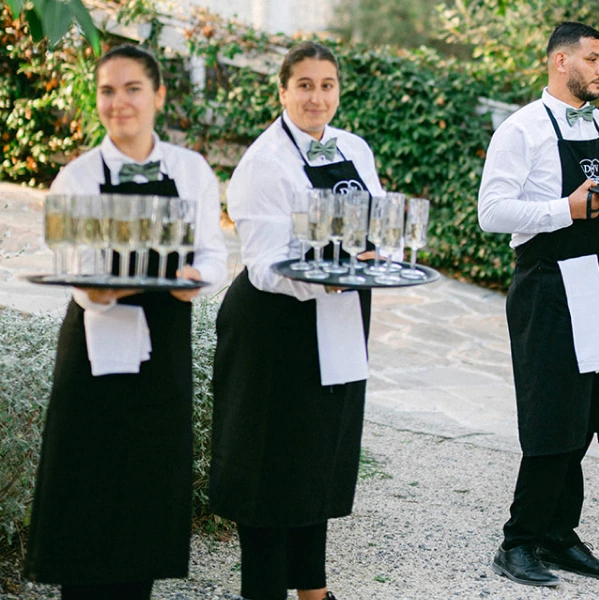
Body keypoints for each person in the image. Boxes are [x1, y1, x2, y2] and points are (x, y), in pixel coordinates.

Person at [24, 45, 228, 599]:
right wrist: (99, 286)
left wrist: (193, 277)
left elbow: (214, 257)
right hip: (92, 351)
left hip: (163, 350)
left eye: (132, 88)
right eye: (107, 91)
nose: (119, 103)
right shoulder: (77, 176)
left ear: (158, 95)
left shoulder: (191, 170)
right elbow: (72, 264)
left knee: (144, 498)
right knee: (85, 495)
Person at [477, 22, 599, 588]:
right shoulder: (519, 130)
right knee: (553, 413)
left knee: (584, 414)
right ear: (561, 61)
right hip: (549, 284)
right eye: (595, 58)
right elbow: (492, 213)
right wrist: (565, 210)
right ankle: (519, 540)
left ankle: (559, 534)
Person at [209, 41, 386, 600]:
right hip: (274, 328)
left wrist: (373, 255)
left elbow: (373, 224)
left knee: (318, 459)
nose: (316, 96)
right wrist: (330, 273)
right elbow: (263, 267)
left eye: (326, 84)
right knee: (267, 470)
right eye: (304, 85)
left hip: (337, 321)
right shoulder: (265, 163)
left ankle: (313, 593)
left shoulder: (353, 147)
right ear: (282, 91)